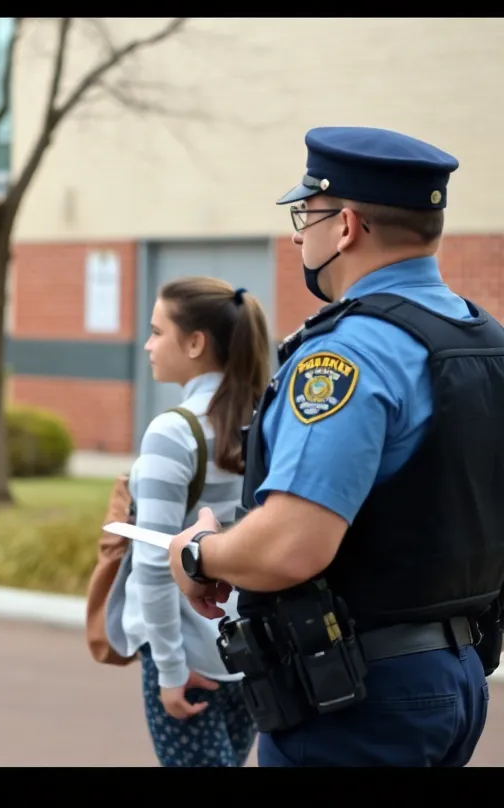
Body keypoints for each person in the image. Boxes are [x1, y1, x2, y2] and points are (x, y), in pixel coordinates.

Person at [167, 126, 504, 767]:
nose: (299, 234)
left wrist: (201, 555)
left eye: (306, 215)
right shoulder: (485, 342)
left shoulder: (347, 355)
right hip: (455, 675)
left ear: (345, 225)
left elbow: (293, 545)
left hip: (358, 697)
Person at [104, 277, 268, 767]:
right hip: (251, 648)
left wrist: (170, 671)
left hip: (186, 654)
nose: (149, 345)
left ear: (195, 343)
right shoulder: (266, 418)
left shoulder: (173, 432)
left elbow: (155, 565)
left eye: (157, 332)